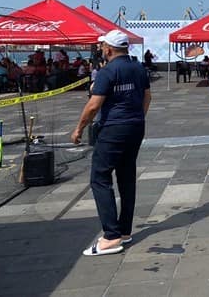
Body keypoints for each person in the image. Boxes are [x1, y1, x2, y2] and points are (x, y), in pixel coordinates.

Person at [70, 30, 151, 257]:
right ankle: (124, 230)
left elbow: (94, 105)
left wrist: (79, 129)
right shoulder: (138, 68)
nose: (101, 49)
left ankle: (111, 236)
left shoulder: (107, 72)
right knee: (126, 176)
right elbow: (147, 96)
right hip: (135, 126)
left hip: (114, 127)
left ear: (108, 49)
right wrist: (138, 117)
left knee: (100, 178)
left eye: (102, 46)